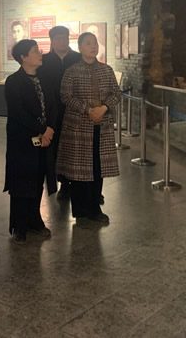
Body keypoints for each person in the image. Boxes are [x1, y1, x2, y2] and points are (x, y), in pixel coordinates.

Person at [56, 32, 120, 227]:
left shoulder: (106, 70)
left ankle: (95, 209)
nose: (93, 46)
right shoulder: (72, 71)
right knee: (80, 171)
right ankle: (80, 211)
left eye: (95, 43)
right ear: (80, 47)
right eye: (88, 43)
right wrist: (88, 110)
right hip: (79, 128)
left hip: (102, 127)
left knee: (97, 168)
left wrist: (104, 108)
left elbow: (116, 93)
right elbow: (65, 96)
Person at [4, 39, 57, 245]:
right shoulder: (14, 81)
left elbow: (53, 106)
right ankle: (19, 225)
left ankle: (35, 220)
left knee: (37, 180)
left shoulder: (45, 79)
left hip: (45, 139)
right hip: (23, 140)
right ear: (23, 57)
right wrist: (42, 130)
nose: (40, 53)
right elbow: (18, 112)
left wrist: (49, 129)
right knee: (21, 182)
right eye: (35, 51)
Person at [38, 25, 82, 201]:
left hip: (76, 110)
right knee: (57, 148)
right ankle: (63, 183)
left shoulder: (78, 58)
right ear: (52, 41)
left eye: (65, 38)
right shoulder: (44, 61)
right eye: (58, 38)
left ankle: (81, 184)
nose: (62, 41)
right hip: (53, 110)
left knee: (76, 147)